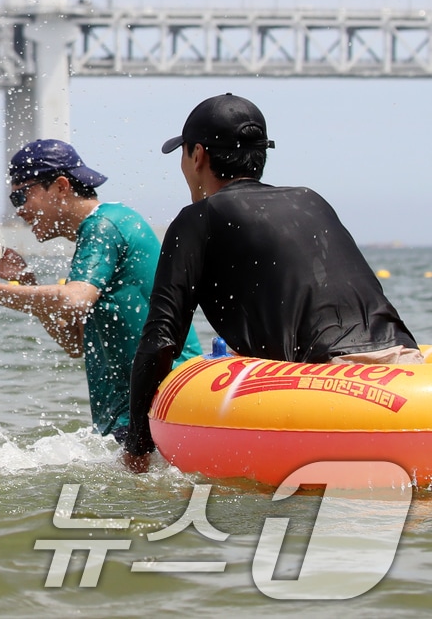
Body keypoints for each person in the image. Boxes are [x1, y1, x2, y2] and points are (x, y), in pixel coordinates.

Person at [122, 94, 423, 472]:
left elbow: (161, 339)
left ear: (197, 155)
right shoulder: (311, 201)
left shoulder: (197, 219)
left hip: (334, 391)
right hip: (406, 373)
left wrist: (137, 448)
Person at [0, 140, 202, 443]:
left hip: (164, 406)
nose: (19, 211)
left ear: (60, 187)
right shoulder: (100, 230)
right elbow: (74, 342)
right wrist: (25, 280)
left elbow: (72, 301)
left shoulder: (103, 225)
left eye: (21, 196)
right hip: (144, 414)